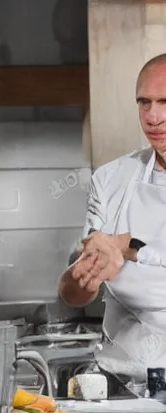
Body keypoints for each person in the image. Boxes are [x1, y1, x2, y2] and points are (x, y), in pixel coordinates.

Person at [59, 54, 166, 384]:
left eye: (165, 102)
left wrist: (127, 246)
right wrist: (82, 279)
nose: (153, 116)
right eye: (144, 102)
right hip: (121, 380)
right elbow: (71, 292)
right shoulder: (110, 180)